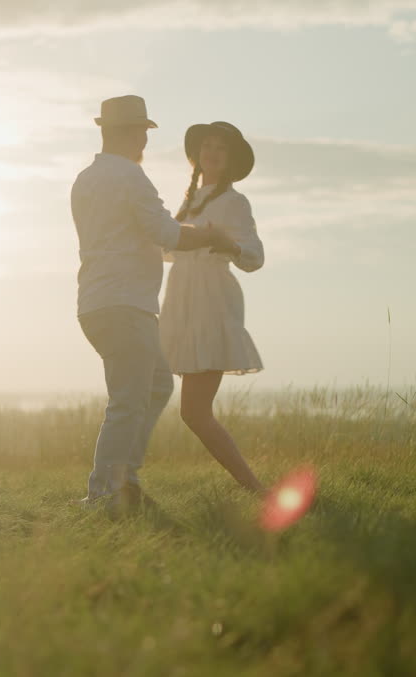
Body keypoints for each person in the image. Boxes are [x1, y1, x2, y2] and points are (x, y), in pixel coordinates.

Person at [71, 96, 240, 513]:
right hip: (125, 303)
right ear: (131, 133)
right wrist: (210, 235)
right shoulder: (130, 177)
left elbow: (142, 233)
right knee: (128, 400)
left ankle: (123, 477)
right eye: (143, 132)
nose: (145, 140)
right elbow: (168, 233)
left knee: (157, 384)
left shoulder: (86, 179)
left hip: (98, 302)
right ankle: (104, 494)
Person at [159, 121, 266, 495]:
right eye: (207, 146)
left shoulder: (234, 202)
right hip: (180, 300)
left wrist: (227, 244)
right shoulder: (189, 201)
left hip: (211, 300)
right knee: (158, 391)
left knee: (194, 412)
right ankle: (120, 479)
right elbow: (169, 249)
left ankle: (253, 486)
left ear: (231, 159)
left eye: (221, 148)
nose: (212, 153)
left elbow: (255, 256)